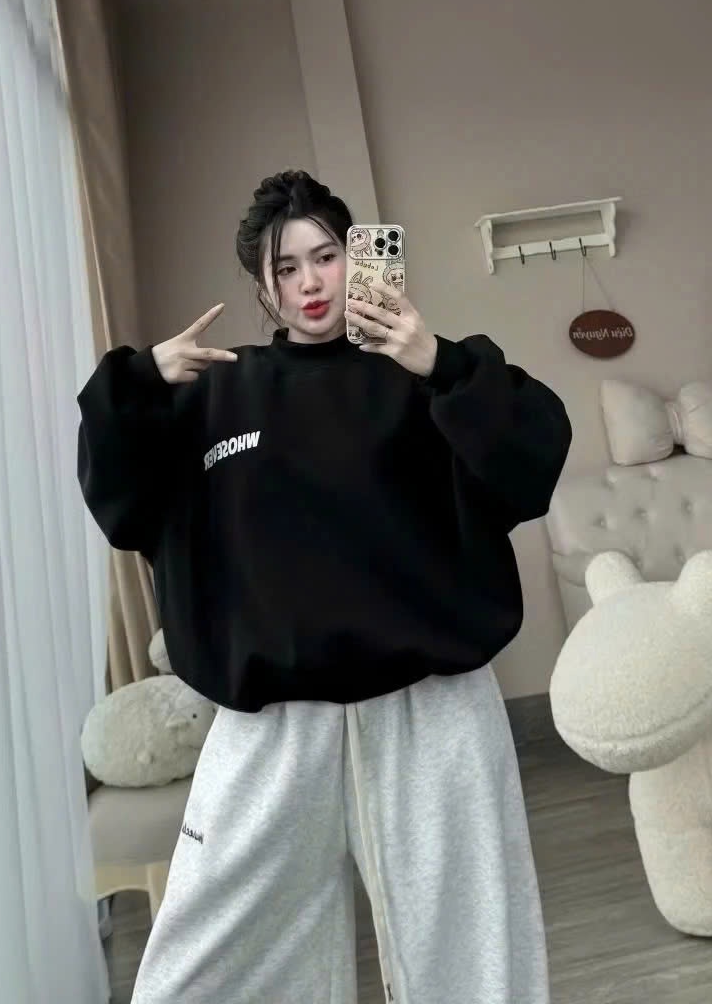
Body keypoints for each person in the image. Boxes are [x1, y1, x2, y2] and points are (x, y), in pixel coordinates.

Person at [77, 170, 572, 1004]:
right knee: (205, 966)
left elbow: (531, 463)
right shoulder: (219, 391)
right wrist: (140, 383)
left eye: (326, 256)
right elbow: (123, 504)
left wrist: (440, 362)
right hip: (272, 722)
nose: (310, 282)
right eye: (285, 267)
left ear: (357, 257)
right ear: (263, 286)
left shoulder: (422, 374)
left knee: (472, 945)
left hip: (433, 709)